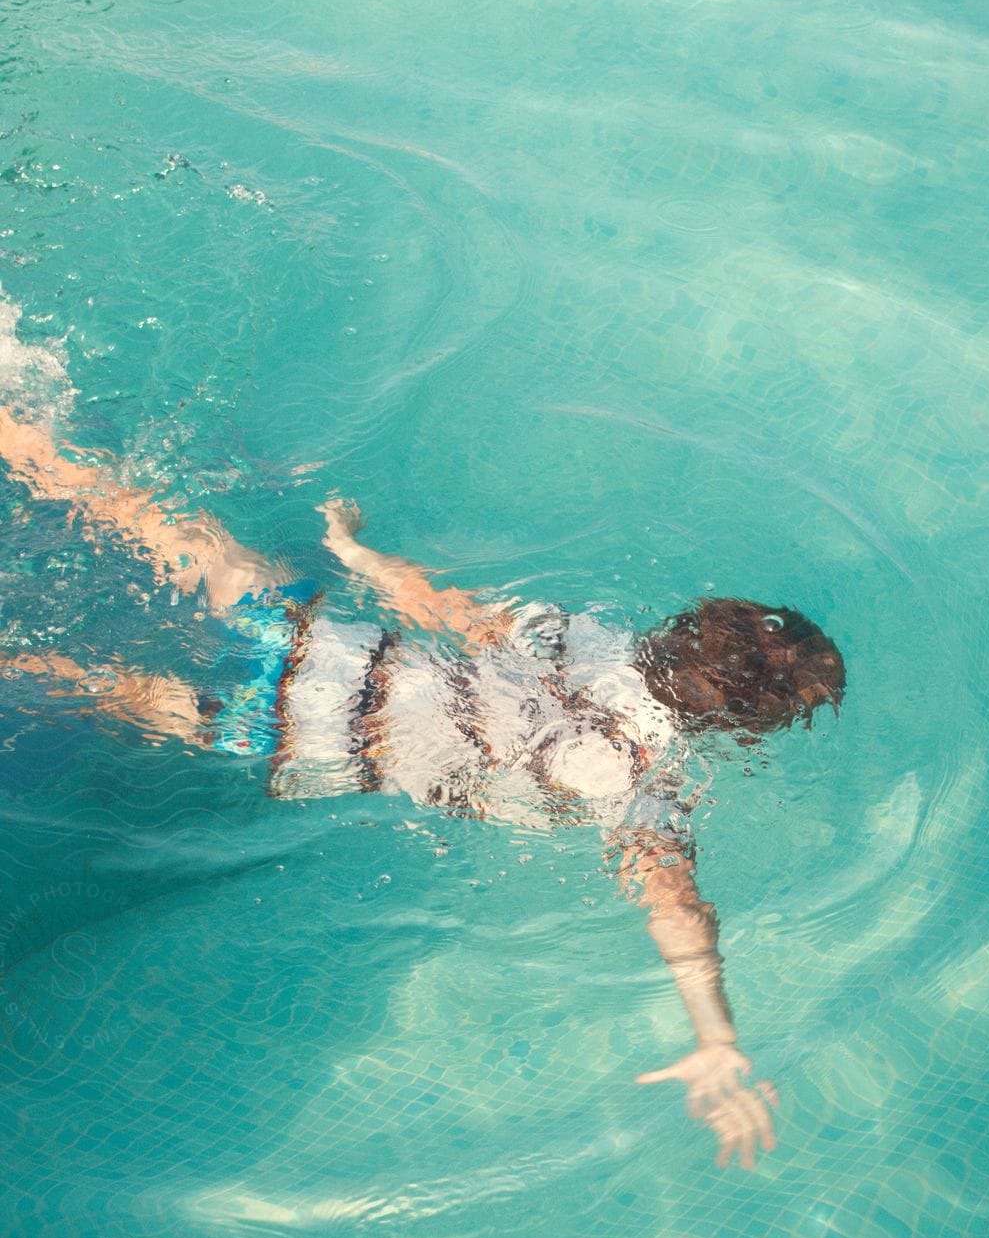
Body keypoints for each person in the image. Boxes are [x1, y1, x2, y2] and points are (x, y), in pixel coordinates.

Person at [0, 405, 845, 1169]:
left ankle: (20, 422)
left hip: (315, 638)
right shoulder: (647, 779)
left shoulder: (587, 639)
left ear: (685, 633)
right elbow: (675, 905)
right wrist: (716, 1037)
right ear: (742, 726)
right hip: (276, 730)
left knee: (152, 520)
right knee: (82, 682)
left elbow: (453, 611)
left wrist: (355, 553)